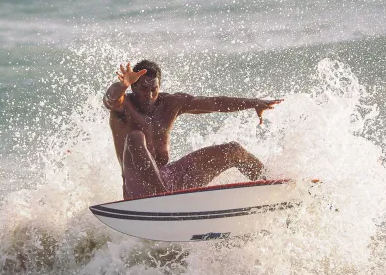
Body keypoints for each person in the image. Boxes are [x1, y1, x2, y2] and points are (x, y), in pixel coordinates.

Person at [103, 60, 283, 199]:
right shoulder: (123, 106)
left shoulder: (170, 104)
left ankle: (276, 189)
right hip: (137, 189)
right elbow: (110, 100)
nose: (149, 95)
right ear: (133, 86)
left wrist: (253, 103)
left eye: (154, 89)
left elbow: (214, 103)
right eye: (143, 89)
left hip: (169, 179)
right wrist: (122, 84)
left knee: (233, 150)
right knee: (135, 137)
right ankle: (164, 199)